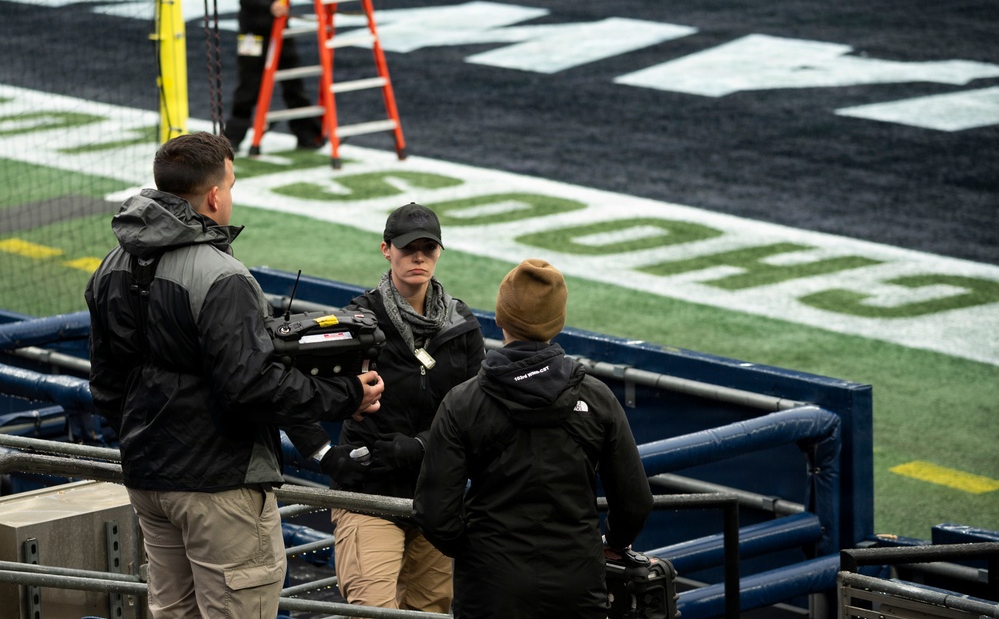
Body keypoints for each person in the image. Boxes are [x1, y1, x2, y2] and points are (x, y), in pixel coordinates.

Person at [85, 131, 383, 619]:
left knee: (172, 611)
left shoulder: (111, 266)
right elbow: (252, 387)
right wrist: (345, 392)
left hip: (147, 477)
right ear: (215, 195)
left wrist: (146, 438)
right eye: (232, 183)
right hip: (218, 485)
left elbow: (106, 386)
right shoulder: (221, 275)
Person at [412, 259, 654, 619]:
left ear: (500, 318)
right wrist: (613, 544)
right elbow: (634, 501)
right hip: (577, 582)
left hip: (489, 586)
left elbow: (435, 513)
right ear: (557, 322)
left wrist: (479, 551)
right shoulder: (598, 397)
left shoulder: (464, 401)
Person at [287, 202, 485, 613]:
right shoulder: (357, 322)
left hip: (437, 499)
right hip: (369, 495)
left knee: (431, 611)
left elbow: (477, 416)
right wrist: (325, 455)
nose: (418, 257)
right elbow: (289, 391)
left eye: (428, 249)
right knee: (372, 610)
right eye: (408, 247)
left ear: (439, 253)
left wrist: (421, 446)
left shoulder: (462, 325)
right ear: (386, 250)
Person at [224, 0, 324, 151]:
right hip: (252, 32)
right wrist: (270, 6)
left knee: (294, 84)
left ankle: (307, 134)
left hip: (281, 29)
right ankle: (232, 139)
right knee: (249, 84)